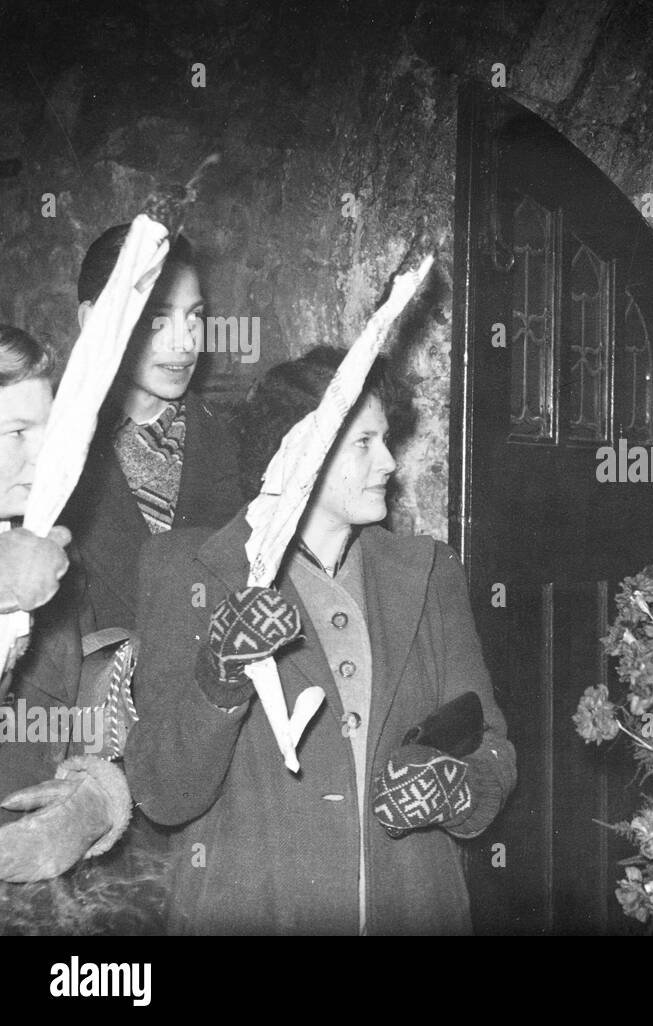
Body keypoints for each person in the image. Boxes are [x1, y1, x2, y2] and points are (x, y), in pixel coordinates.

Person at [125, 346, 517, 934]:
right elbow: (163, 792)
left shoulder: (428, 571)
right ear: (299, 451)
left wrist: (459, 789)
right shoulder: (189, 571)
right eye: (364, 442)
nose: (388, 461)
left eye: (384, 439)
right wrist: (219, 682)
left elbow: (492, 745)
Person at [0, 325, 135, 909]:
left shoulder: (48, 559)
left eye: (47, 431)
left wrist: (96, 797)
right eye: (16, 432)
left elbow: (112, 688)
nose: (43, 455)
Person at [57, 226, 242, 635]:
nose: (184, 341)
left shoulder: (234, 440)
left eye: (194, 317)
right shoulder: (39, 447)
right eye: (157, 317)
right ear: (93, 320)